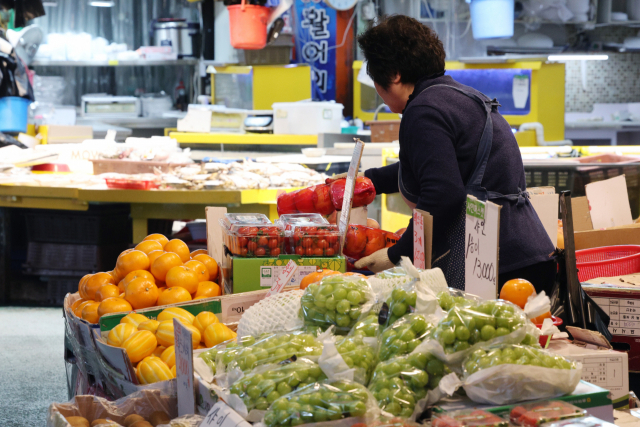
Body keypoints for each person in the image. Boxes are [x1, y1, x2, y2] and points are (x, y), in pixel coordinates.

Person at [352, 15, 556, 294]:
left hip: (497, 267)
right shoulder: (459, 96)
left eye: (375, 78)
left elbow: (442, 194)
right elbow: (436, 165)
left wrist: (396, 254)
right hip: (528, 254)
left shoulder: (423, 110)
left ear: (394, 75)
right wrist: (368, 181)